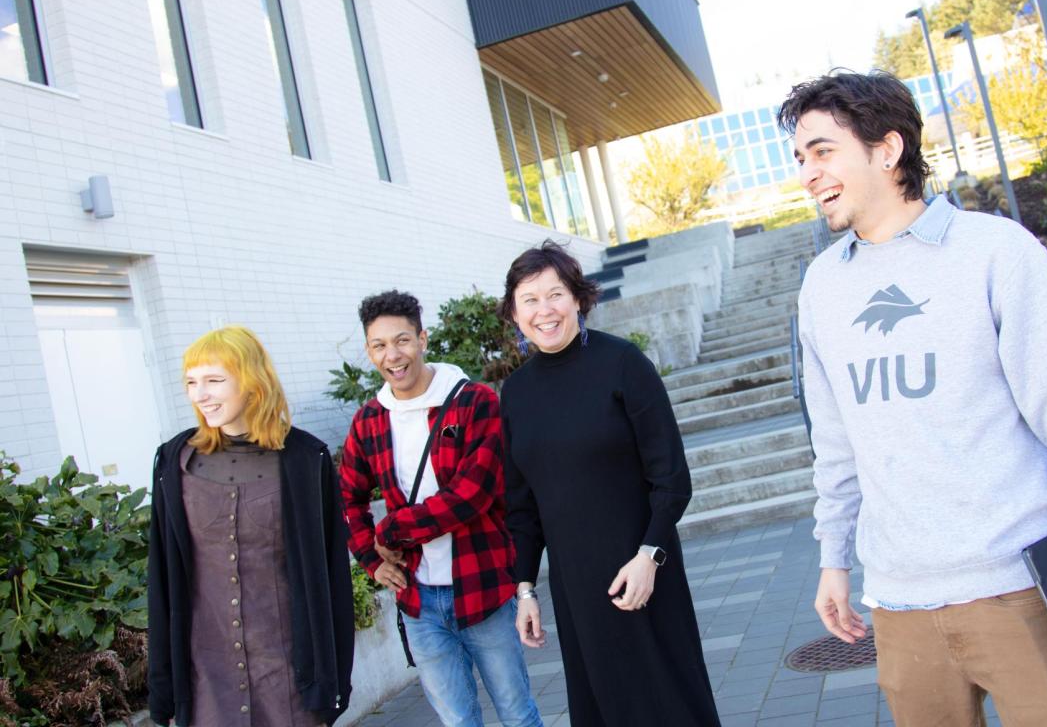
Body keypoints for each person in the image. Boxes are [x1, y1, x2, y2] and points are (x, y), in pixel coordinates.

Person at [781, 70, 1047, 727]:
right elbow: (837, 441)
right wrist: (832, 559)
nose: (808, 174)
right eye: (800, 158)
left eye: (823, 151)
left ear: (888, 149)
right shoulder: (822, 287)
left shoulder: (995, 253)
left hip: (1018, 593)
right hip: (899, 606)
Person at [499, 241, 721, 727]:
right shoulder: (515, 394)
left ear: (577, 298)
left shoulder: (623, 364)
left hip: (644, 574)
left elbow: (671, 479)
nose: (545, 311)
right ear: (515, 315)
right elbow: (522, 506)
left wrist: (649, 556)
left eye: (554, 294)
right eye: (530, 300)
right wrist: (524, 590)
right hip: (576, 591)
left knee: (671, 706)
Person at [339, 290, 541, 727]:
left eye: (402, 340)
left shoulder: (475, 402)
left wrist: (391, 531)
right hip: (419, 601)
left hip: (483, 587)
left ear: (423, 339)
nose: (393, 355)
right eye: (379, 346)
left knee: (517, 714)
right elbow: (347, 498)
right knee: (457, 722)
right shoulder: (369, 420)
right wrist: (372, 560)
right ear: (369, 351)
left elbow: (472, 494)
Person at [147, 326, 354, 727]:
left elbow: (331, 577)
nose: (199, 394)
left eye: (214, 380)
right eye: (191, 382)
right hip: (206, 677)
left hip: (289, 678)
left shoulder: (305, 460)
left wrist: (333, 683)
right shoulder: (174, 463)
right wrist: (165, 687)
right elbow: (162, 579)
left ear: (252, 381)